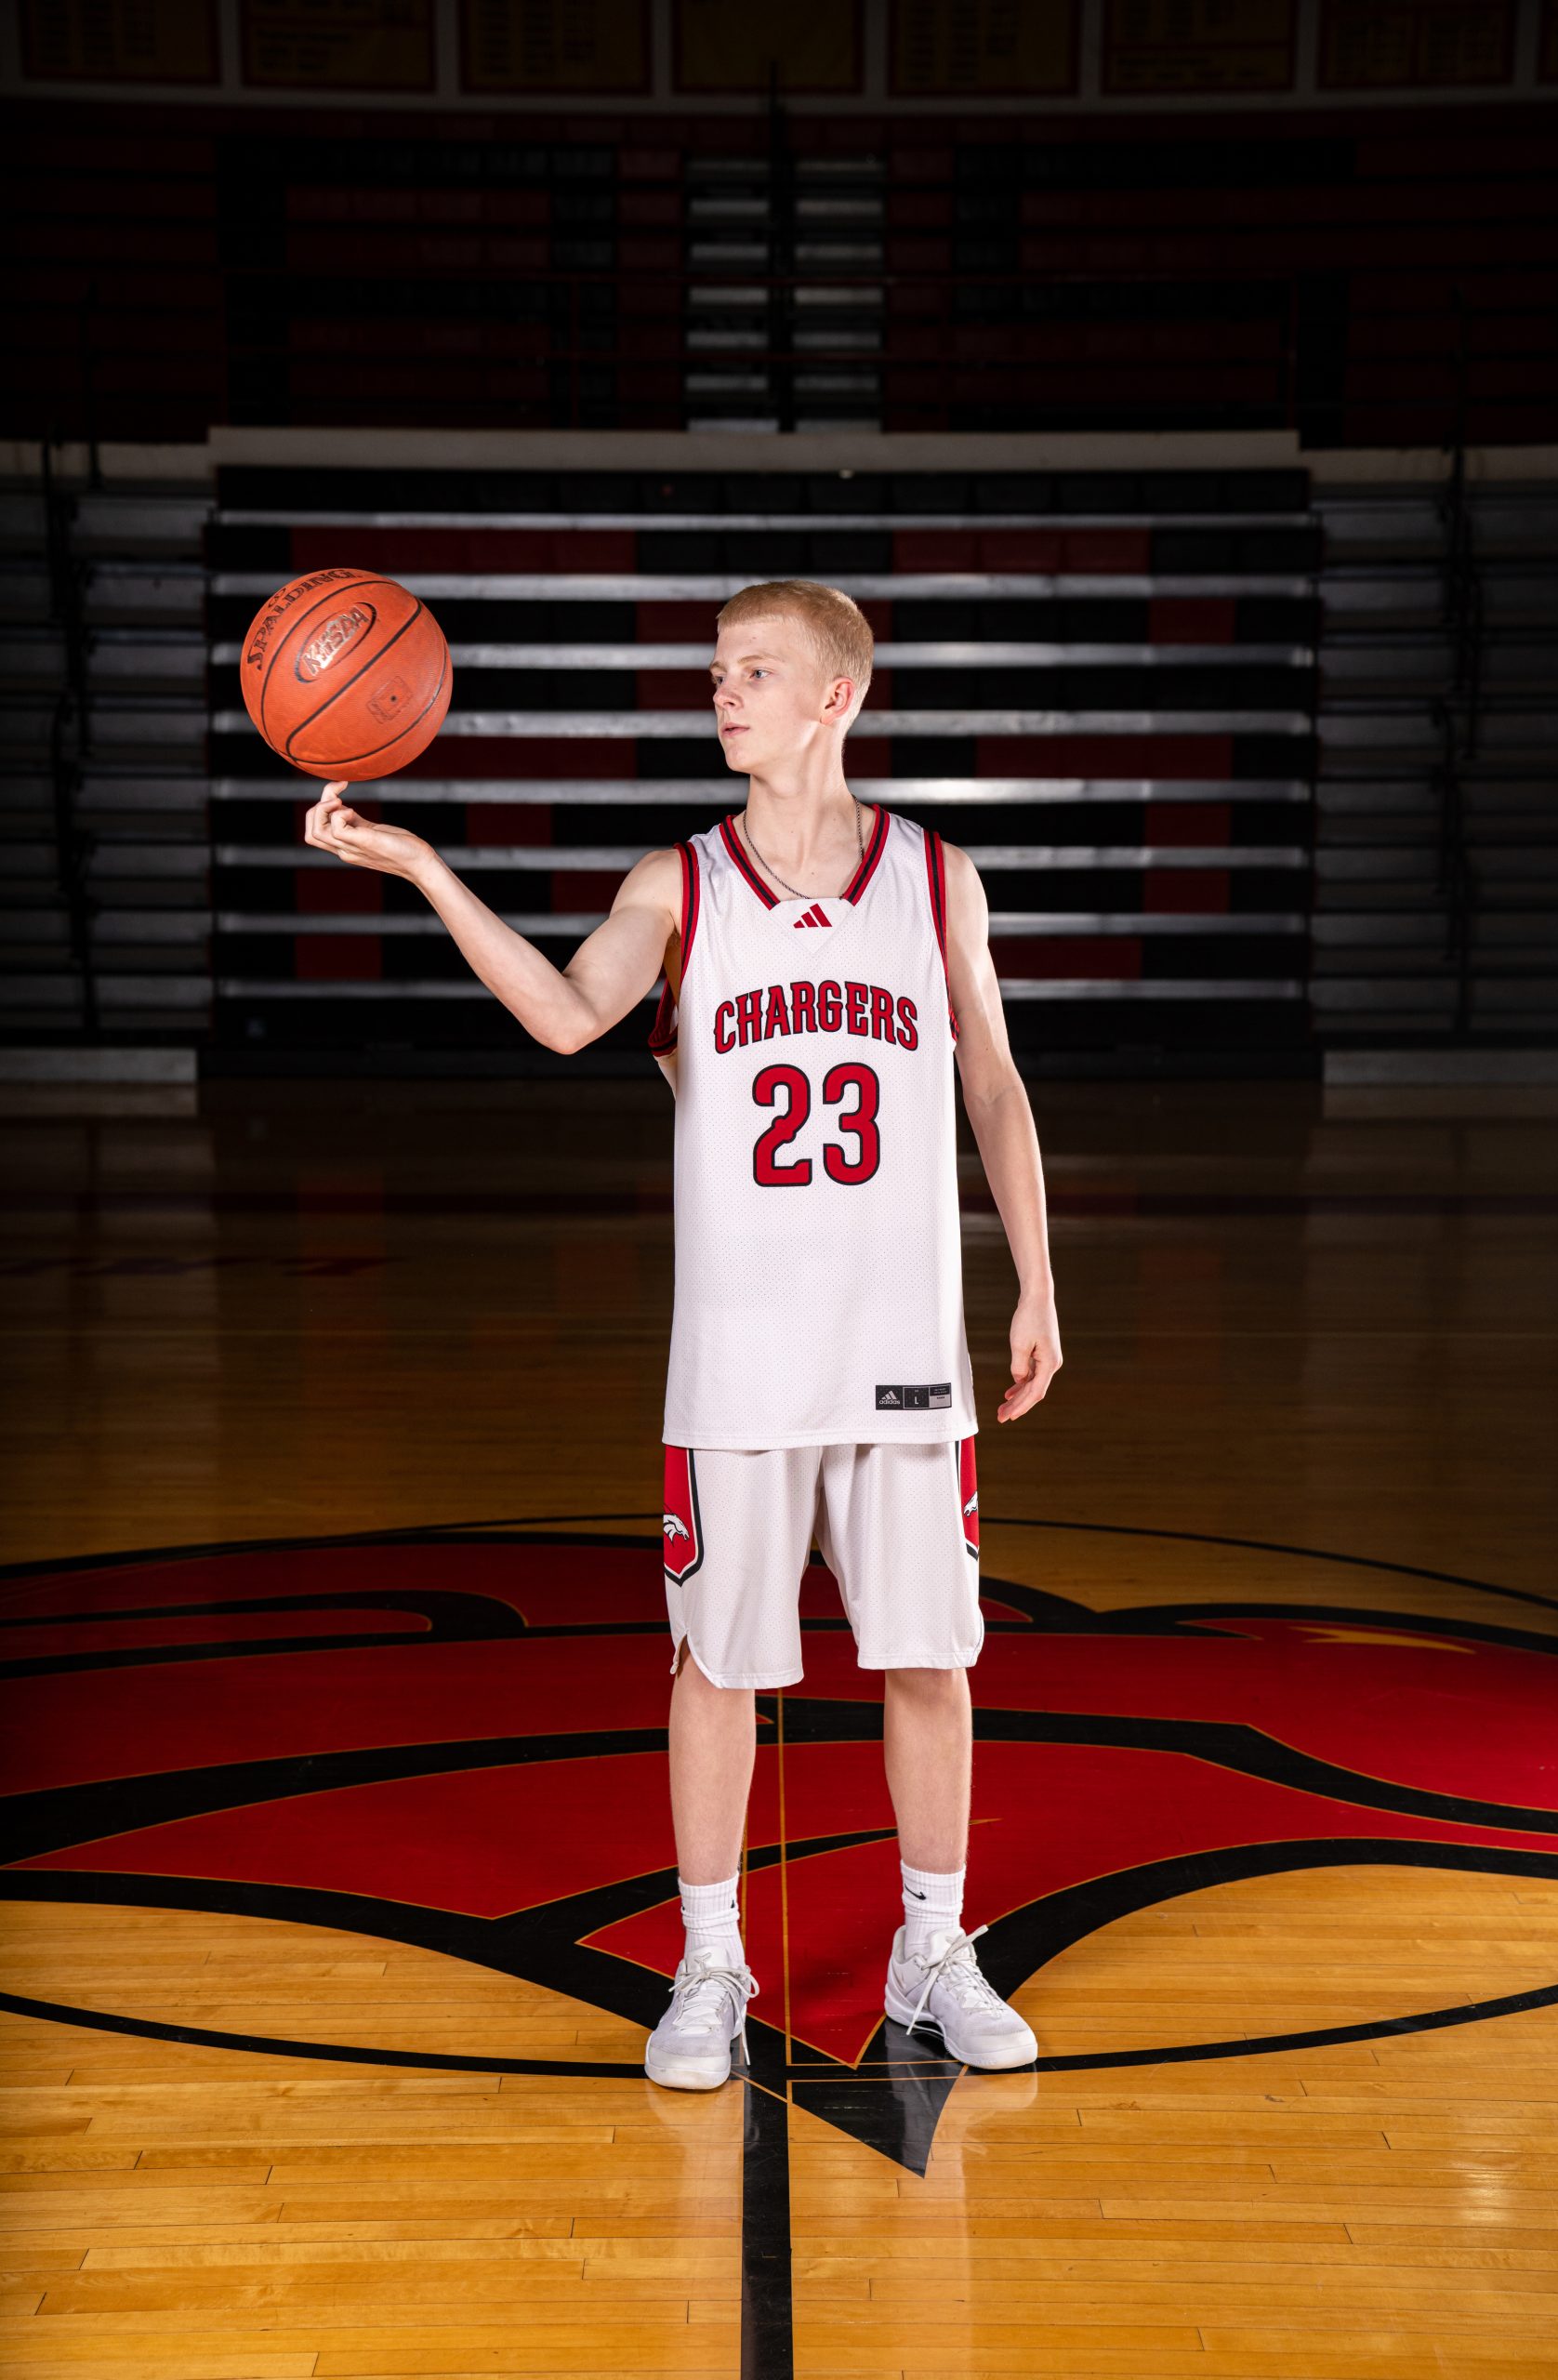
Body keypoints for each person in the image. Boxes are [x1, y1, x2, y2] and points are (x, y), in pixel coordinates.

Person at [303, 576, 1063, 2089]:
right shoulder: (679, 883)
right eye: (716, 671)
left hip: (906, 1349)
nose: (722, 693)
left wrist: (1037, 1280)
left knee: (929, 1657)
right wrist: (426, 870)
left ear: (836, 695)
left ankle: (931, 1947)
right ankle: (709, 1958)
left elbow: (991, 1079)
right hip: (740, 1357)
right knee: (714, 1669)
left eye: (753, 671)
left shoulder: (935, 879)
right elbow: (564, 1015)